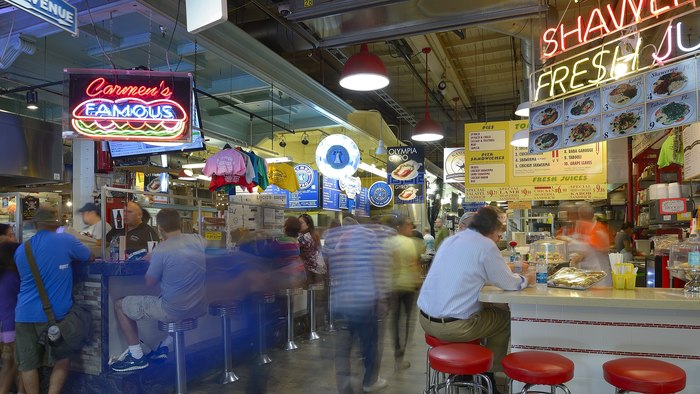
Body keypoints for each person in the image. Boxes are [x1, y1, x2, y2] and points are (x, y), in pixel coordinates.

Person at [417, 206, 535, 393]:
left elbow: (471, 272)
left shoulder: (452, 240)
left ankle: (465, 370)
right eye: (499, 233)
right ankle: (487, 373)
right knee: (502, 317)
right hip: (453, 328)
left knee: (484, 312)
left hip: (425, 321)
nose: (498, 239)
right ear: (492, 230)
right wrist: (527, 278)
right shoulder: (486, 244)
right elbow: (509, 284)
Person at [111, 209, 207, 372]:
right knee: (176, 300)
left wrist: (155, 258)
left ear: (160, 228)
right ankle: (164, 345)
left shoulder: (162, 249)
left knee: (120, 304)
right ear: (179, 223)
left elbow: (150, 282)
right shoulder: (197, 239)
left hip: (174, 309)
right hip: (198, 306)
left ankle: (136, 357)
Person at [13, 208, 92, 394]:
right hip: (55, 315)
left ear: (35, 225)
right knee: (62, 357)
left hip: (23, 314)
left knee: (27, 364)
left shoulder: (22, 248)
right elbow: (89, 256)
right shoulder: (66, 240)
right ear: (55, 224)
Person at [324, 218, 393, 393]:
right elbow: (378, 267)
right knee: (369, 343)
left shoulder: (335, 238)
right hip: (363, 300)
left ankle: (344, 383)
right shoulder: (369, 237)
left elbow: (330, 267)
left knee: (343, 347)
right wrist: (382, 299)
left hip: (340, 301)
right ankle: (369, 381)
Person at [387, 216, 422, 371]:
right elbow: (416, 264)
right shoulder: (413, 243)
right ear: (399, 227)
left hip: (393, 287)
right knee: (407, 321)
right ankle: (400, 354)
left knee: (395, 320)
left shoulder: (389, 243)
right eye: (408, 225)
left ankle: (397, 351)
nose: (411, 228)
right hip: (408, 287)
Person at [0, 242, 23, 394]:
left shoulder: (2, 275)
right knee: (14, 365)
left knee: (9, 365)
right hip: (12, 328)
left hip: (3, 329)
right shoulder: (13, 277)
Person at [298, 214, 326, 285]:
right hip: (320, 271)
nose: (298, 225)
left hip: (310, 272)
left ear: (308, 224)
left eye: (301, 223)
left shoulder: (304, 237)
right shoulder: (314, 235)